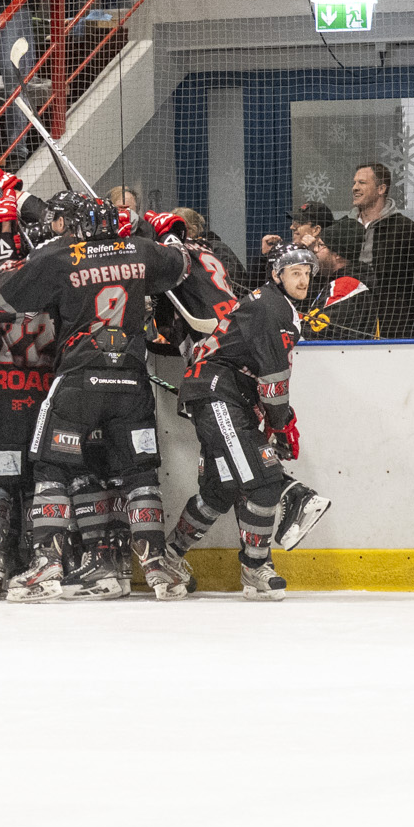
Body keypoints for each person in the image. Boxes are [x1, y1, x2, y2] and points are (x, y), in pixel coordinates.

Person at [0, 193, 200, 599]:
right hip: (132, 383)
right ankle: (158, 568)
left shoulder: (60, 257)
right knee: (140, 474)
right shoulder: (140, 249)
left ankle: (46, 565)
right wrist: (162, 232)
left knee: (50, 467)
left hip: (80, 380)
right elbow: (183, 264)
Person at [151, 242, 331, 600]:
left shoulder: (278, 308)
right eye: (295, 272)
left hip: (229, 394)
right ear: (277, 275)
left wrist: (281, 419)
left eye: (307, 273)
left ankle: (168, 557)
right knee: (263, 481)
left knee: (221, 490)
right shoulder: (270, 307)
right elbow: (274, 376)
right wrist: (281, 423)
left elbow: (267, 377)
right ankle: (257, 564)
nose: (303, 279)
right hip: (217, 390)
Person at [328, 161, 414, 339]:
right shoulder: (341, 228)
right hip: (345, 324)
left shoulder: (409, 231)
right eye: (354, 183)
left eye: (362, 183)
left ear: (381, 189)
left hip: (392, 328)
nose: (355, 188)